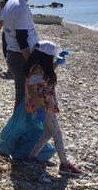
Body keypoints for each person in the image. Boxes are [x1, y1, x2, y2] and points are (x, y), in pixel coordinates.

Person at [24, 41, 82, 176]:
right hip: (44, 107)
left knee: (48, 133)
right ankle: (64, 164)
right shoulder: (37, 69)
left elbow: (43, 79)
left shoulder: (39, 67)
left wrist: (57, 63)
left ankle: (31, 157)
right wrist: (39, 109)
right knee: (57, 133)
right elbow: (33, 90)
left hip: (46, 106)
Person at [3, 0, 40, 109]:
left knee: (22, 93)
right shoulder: (21, 7)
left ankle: (20, 125)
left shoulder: (12, 1)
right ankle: (20, 126)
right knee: (25, 95)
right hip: (20, 57)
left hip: (13, 54)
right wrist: (31, 62)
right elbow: (22, 38)